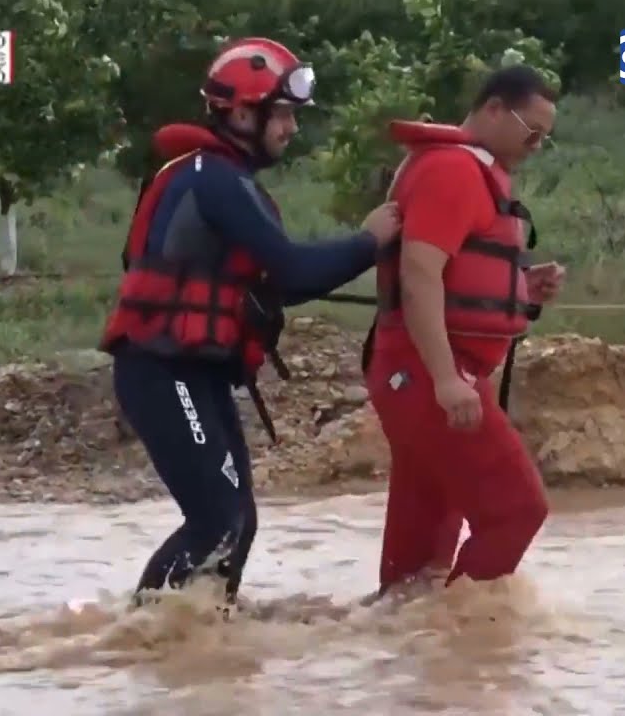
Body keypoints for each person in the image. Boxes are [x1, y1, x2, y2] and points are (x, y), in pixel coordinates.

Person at [98, 37, 401, 608]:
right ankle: (141, 638)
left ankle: (199, 641)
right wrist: (370, 241)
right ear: (241, 113)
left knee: (238, 522)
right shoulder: (213, 178)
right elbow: (292, 273)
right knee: (217, 519)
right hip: (163, 371)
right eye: (282, 114)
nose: (290, 128)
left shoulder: (220, 177)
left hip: (195, 371)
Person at [362, 65, 566, 599]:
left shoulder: (465, 170)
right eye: (532, 131)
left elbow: (453, 275)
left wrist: (522, 286)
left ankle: (413, 658)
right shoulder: (452, 170)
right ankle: (460, 634)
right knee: (517, 510)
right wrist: (447, 380)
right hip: (427, 376)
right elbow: (420, 274)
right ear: (495, 109)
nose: (536, 145)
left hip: (420, 375)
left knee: (418, 565)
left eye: (545, 137)